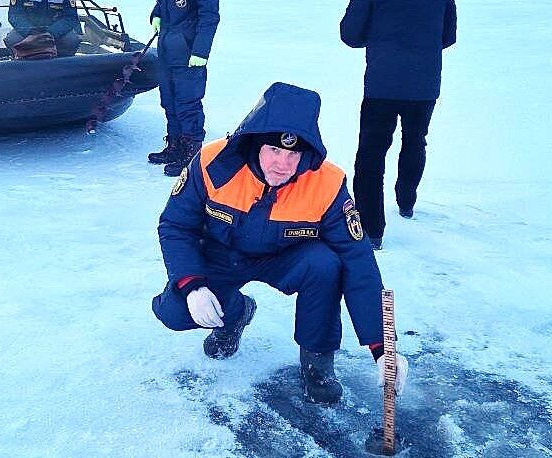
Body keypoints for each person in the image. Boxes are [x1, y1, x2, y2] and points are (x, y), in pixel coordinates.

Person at [151, 82, 408, 404]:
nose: (282, 164)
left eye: (293, 153)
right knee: (174, 312)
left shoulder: (327, 183)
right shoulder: (211, 163)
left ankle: (318, 362)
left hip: (287, 257)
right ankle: (235, 314)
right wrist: (192, 286)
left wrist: (382, 346)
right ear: (255, 143)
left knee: (326, 264)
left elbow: (358, 261)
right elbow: (175, 225)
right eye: (274, 150)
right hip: (221, 254)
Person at [340, 0, 457, 251]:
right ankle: (407, 202)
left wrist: (377, 38)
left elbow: (349, 34)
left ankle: (372, 230)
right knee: (415, 141)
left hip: (381, 85)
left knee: (371, 154)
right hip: (424, 85)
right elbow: (448, 36)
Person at [146, 0, 221, 177]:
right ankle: (175, 145)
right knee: (169, 100)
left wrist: (201, 51)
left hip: (189, 52)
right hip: (167, 47)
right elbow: (162, 2)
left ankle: (191, 151)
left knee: (188, 102)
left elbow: (209, 16)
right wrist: (156, 15)